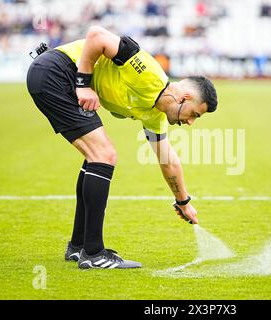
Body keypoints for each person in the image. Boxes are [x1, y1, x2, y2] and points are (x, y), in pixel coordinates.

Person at [26, 26, 218, 270]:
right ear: (185, 98)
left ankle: (78, 246)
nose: (190, 123)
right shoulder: (149, 73)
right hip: (55, 73)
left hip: (54, 78)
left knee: (95, 157)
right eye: (195, 115)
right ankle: (94, 253)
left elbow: (167, 160)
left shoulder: (156, 115)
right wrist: (83, 84)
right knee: (103, 155)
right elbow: (96, 35)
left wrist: (183, 201)